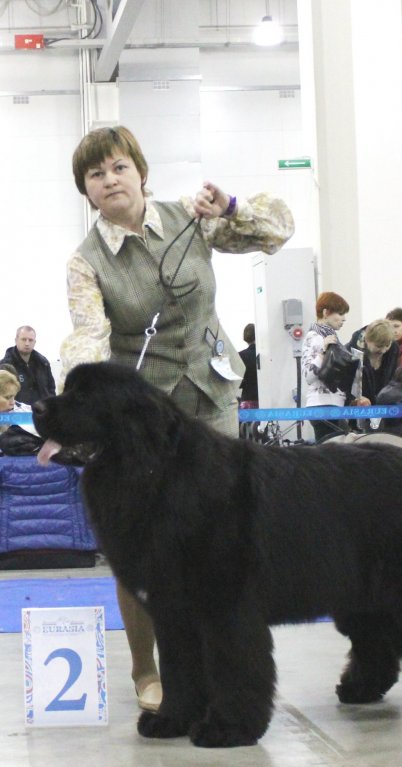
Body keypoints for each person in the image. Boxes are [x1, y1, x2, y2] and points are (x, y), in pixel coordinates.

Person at [59, 125, 294, 712]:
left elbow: (277, 232)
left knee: (223, 539)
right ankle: (147, 670)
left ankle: (223, 663)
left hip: (213, 394)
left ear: (140, 170)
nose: (109, 180)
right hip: (142, 421)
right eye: (95, 175)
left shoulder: (190, 219)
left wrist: (232, 208)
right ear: (85, 191)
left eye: (117, 167)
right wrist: (77, 411)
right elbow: (90, 339)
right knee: (139, 545)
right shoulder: (85, 263)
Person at [301, 291, 363, 443]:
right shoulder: (314, 338)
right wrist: (322, 352)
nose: (344, 319)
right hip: (322, 406)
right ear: (326, 313)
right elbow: (308, 375)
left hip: (333, 404)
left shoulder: (331, 338)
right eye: (340, 314)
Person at [2, 326, 56, 405]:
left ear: (34, 342)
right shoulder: (5, 366)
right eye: (23, 339)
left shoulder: (43, 363)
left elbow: (51, 389)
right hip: (17, 414)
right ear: (16, 340)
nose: (27, 343)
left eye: (30, 340)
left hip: (42, 413)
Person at [238, 323, 258, 408]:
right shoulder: (264, 355)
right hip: (264, 397)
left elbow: (238, 381)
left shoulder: (240, 355)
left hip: (247, 399)